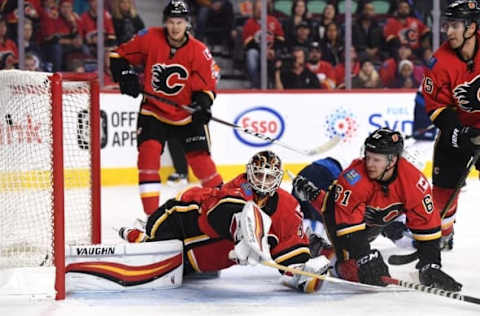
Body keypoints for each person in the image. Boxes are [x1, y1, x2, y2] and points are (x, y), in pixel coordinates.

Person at [119, 150, 331, 293]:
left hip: (200, 261)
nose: (263, 182)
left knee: (170, 266)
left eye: (268, 177)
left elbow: (290, 249)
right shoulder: (239, 187)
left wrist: (302, 271)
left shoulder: (287, 206)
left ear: (277, 178)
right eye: (258, 175)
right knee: (153, 240)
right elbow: (216, 213)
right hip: (183, 218)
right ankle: (141, 232)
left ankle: (144, 240)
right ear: (249, 173)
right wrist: (242, 232)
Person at [293, 128, 462, 291]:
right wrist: (364, 256)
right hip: (344, 219)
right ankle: (319, 246)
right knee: (353, 272)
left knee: (373, 239)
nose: (369, 164)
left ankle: (314, 197)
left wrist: (430, 264)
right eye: (368, 157)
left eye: (377, 160)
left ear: (393, 160)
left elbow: (426, 226)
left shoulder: (414, 183)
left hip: (370, 220)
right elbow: (345, 224)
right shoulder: (355, 178)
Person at [109, 0, 223, 215]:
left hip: (185, 115)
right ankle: (152, 218)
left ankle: (224, 208)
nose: (175, 27)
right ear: (165, 22)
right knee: (148, 157)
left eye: (179, 22)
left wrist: (202, 105)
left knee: (202, 165)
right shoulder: (149, 38)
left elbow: (207, 87)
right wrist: (125, 75)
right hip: (154, 111)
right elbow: (118, 55)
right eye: (171, 22)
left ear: (187, 24)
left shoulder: (199, 51)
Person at [422, 0, 480, 251]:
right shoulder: (439, 62)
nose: (448, 31)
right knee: (444, 188)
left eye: (455, 25)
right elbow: (436, 107)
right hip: (458, 127)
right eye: (447, 25)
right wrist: (458, 133)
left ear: (471, 27)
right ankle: (444, 233)